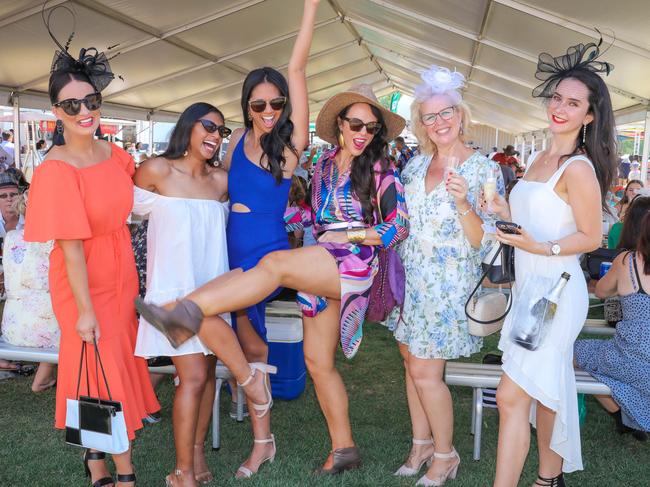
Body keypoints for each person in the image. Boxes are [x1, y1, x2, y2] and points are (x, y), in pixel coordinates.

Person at [135, 82, 409, 475]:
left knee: (276, 264)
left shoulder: (381, 168)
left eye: (371, 128)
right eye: (356, 125)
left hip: (355, 261)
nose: (363, 134)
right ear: (342, 125)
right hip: (324, 262)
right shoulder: (326, 166)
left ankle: (185, 312)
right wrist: (277, 218)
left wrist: (348, 235)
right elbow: (314, 217)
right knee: (318, 364)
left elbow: (398, 226)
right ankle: (345, 449)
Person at [23, 18, 160, 486]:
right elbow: (70, 248)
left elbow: (142, 198)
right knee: (100, 375)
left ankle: (95, 462)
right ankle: (124, 473)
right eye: (72, 104)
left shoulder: (114, 155)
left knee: (100, 375)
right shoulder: (55, 171)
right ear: (56, 111)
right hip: (83, 283)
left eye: (92, 100)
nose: (85, 110)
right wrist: (83, 311)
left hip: (122, 277)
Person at [488, 40, 618, 487]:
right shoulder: (539, 159)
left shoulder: (578, 168)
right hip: (531, 290)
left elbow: (590, 236)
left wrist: (539, 248)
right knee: (544, 392)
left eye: (573, 102)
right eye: (557, 98)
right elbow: (533, 220)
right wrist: (497, 206)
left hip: (555, 296)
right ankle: (549, 478)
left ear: (590, 116)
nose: (560, 108)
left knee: (510, 396)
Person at [132, 102, 271, 486]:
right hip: (175, 294)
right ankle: (183, 473)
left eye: (222, 131)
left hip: (213, 292)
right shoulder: (155, 170)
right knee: (192, 377)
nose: (215, 136)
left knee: (207, 374)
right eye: (209, 126)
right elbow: (123, 216)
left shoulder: (222, 181)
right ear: (187, 126)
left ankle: (194, 455)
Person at [214, 0, 317, 478]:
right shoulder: (234, 139)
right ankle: (263, 434)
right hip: (228, 249)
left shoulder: (292, 145)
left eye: (277, 102)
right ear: (247, 107)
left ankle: (261, 438)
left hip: (267, 256)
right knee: (237, 338)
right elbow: (213, 184)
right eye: (260, 103)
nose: (270, 110)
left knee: (244, 340)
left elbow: (297, 67)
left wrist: (310, 8)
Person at [387, 65, 504, 486]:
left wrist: (463, 204)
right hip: (411, 279)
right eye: (430, 116)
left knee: (425, 371)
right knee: (408, 361)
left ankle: (445, 454)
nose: (439, 122)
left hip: (448, 284)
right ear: (421, 123)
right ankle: (421, 443)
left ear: (461, 114)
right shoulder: (415, 167)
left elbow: (485, 242)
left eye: (446, 113)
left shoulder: (484, 170)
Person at [574, 207, 650, 442]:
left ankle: (619, 412)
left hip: (627, 360)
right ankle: (626, 414)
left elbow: (601, 291)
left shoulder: (627, 261)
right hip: (635, 363)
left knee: (568, 354)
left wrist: (623, 288)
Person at [1, 191, 59, 392]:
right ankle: (42, 379)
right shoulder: (54, 239)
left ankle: (44, 377)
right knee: (63, 312)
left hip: (12, 329)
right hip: (45, 331)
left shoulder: (11, 237)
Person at [609, 181, 644, 248]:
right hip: (620, 238)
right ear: (626, 192)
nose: (634, 192)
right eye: (631, 190)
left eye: (638, 190)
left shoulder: (645, 207)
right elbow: (610, 219)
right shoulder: (620, 205)